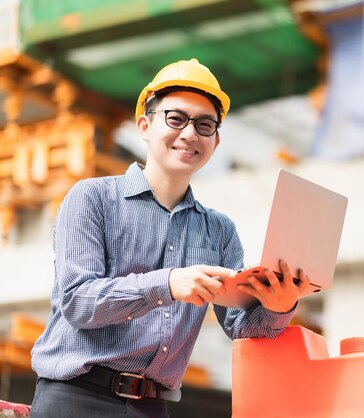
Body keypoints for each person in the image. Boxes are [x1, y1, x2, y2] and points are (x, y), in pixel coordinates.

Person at [29, 58, 310, 418]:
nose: (190, 134)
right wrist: (168, 284)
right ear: (144, 125)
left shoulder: (219, 231)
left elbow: (242, 329)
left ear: (216, 141)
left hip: (152, 407)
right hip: (75, 399)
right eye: (176, 119)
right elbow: (78, 302)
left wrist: (279, 305)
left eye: (204, 125)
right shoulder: (92, 199)